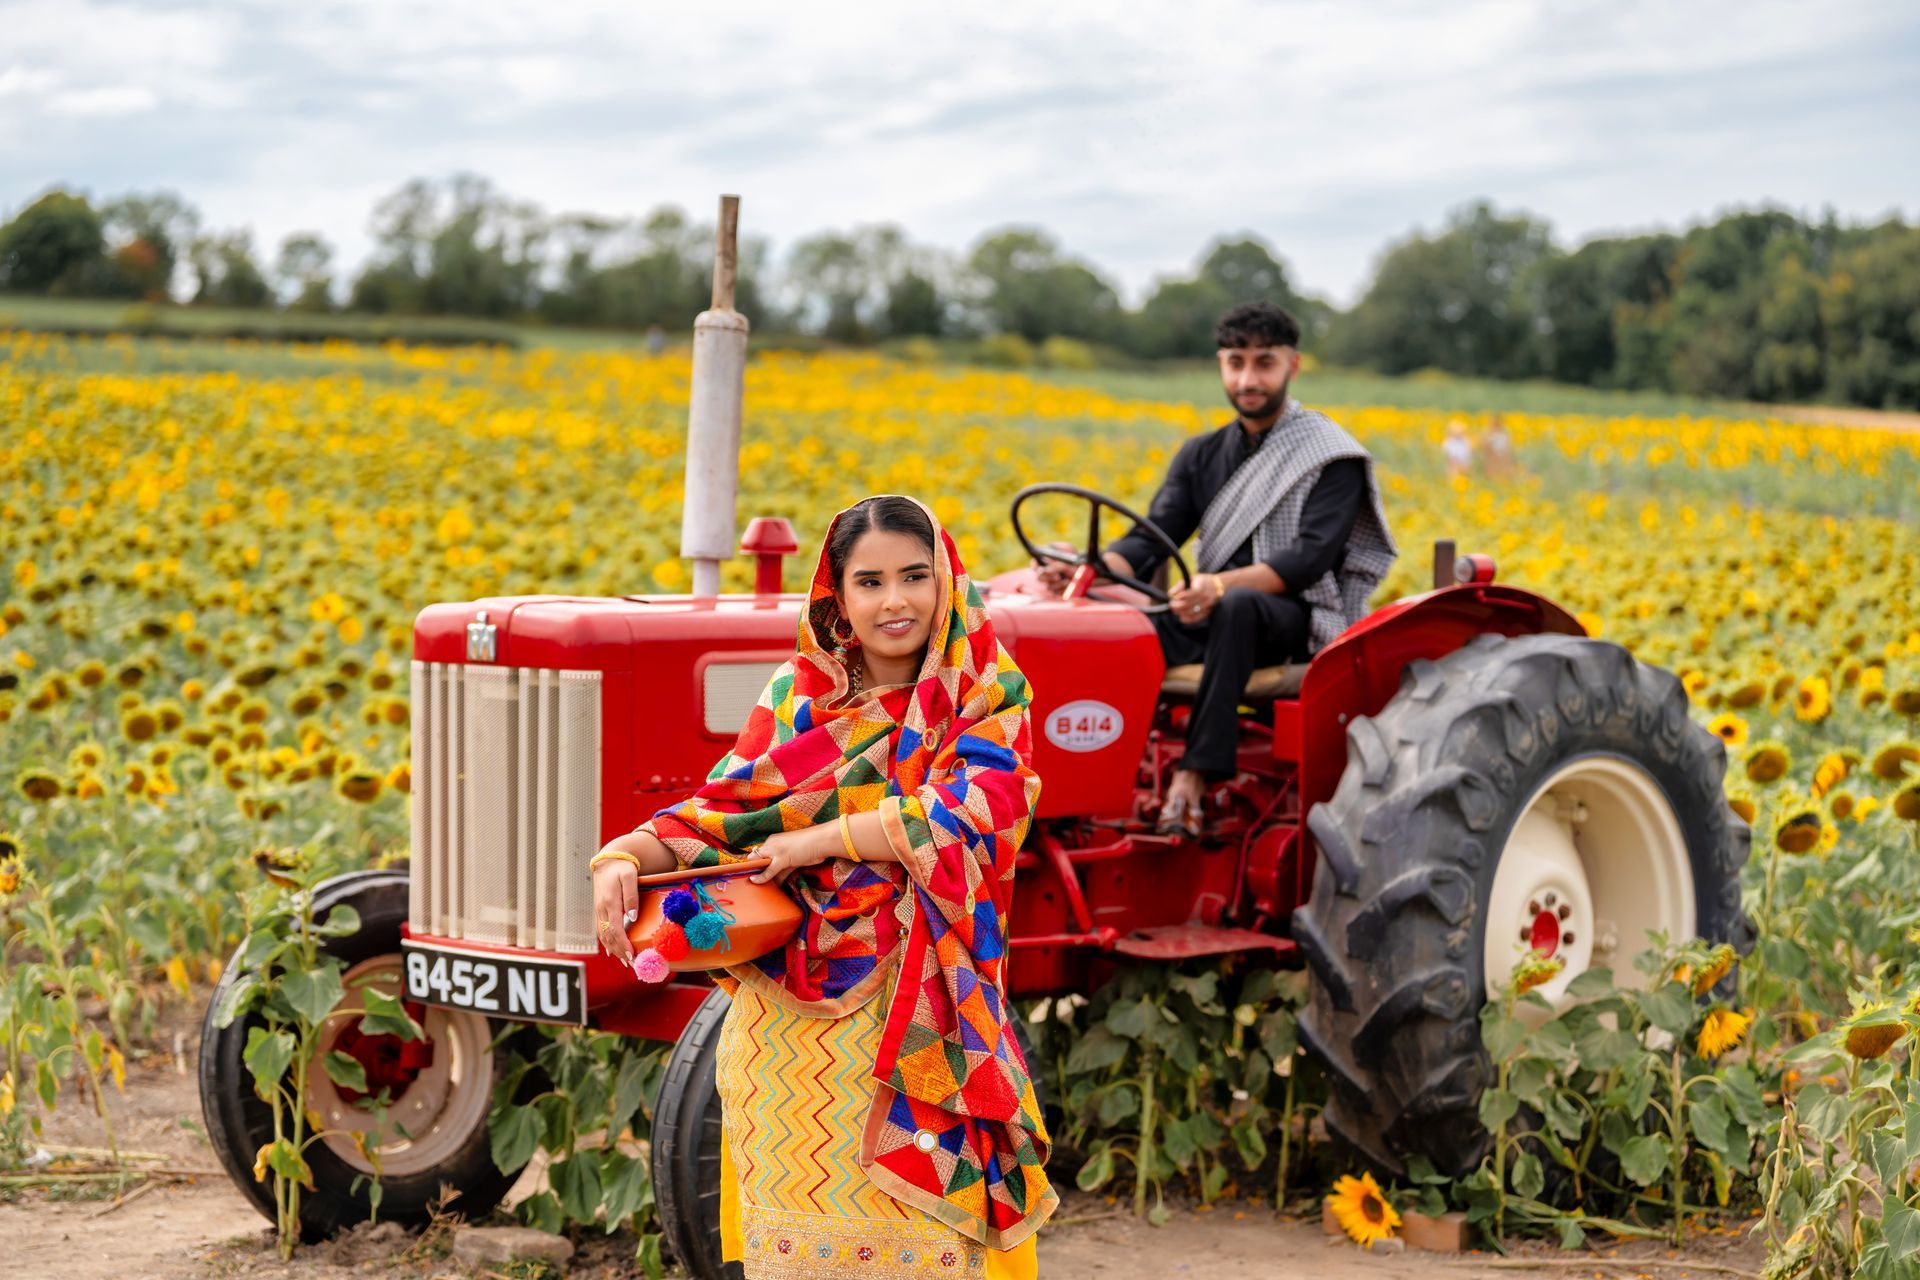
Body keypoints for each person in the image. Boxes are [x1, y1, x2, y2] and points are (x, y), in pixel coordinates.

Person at [589, 495, 1053, 1278]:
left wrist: (818, 839)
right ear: (837, 596)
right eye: (869, 582)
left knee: (924, 1248)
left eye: (915, 576)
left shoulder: (984, 694)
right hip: (783, 1028)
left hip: (914, 1011)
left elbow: (977, 809)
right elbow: (720, 816)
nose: (895, 600)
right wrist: (624, 857)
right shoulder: (797, 698)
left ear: (948, 583)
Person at [1033, 301, 1396, 836]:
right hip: (1209, 611)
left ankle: (1195, 776)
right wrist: (1085, 569)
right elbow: (1150, 539)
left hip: (1294, 621)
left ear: (1292, 366)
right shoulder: (1202, 454)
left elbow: (1306, 560)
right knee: (1119, 627)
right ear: (1221, 366)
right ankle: (1072, 778)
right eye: (1236, 362)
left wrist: (1220, 584)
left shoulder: (1329, 457)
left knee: (1238, 606)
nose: (1248, 378)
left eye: (1263, 363)